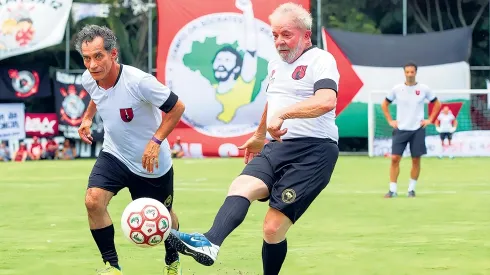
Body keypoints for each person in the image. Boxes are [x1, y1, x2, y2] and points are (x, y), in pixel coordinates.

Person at [166, 3, 340, 275]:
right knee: (242, 184)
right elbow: (273, 102)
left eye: (286, 34)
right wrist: (260, 135)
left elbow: (327, 101)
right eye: (274, 35)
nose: (279, 42)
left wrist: (285, 114)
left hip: (314, 152)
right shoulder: (274, 65)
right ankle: (211, 242)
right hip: (277, 146)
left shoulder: (321, 60)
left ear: (305, 35)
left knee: (272, 229)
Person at [75, 25, 185, 275]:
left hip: (151, 164)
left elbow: (177, 107)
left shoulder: (139, 82)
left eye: (98, 56)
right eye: (87, 58)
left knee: (163, 216)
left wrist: (155, 142)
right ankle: (112, 266)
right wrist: (87, 118)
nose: (92, 65)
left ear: (113, 54)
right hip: (115, 154)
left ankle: (172, 258)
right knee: (93, 201)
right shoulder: (89, 77)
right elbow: (96, 93)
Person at [381, 62, 441, 198]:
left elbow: (437, 104)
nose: (409, 74)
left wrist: (430, 119)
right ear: (404, 73)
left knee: (416, 160)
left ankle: (411, 190)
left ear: (416, 73)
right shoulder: (397, 89)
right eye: (407, 72)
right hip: (401, 128)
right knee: (395, 158)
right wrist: (390, 120)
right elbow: (384, 104)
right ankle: (392, 190)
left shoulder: (424, 89)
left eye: (412, 72)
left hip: (417, 129)